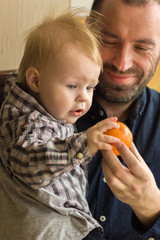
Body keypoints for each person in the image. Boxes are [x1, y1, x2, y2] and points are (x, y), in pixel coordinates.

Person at [0, 9, 122, 240]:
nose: (84, 98)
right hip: (54, 229)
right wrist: (82, 144)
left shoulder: (36, 113)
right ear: (35, 80)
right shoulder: (31, 122)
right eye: (72, 85)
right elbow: (27, 162)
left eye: (90, 87)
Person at [76, 0, 160, 239]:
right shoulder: (35, 115)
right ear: (87, 34)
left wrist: (151, 207)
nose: (122, 63)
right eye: (109, 42)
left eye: (142, 47)